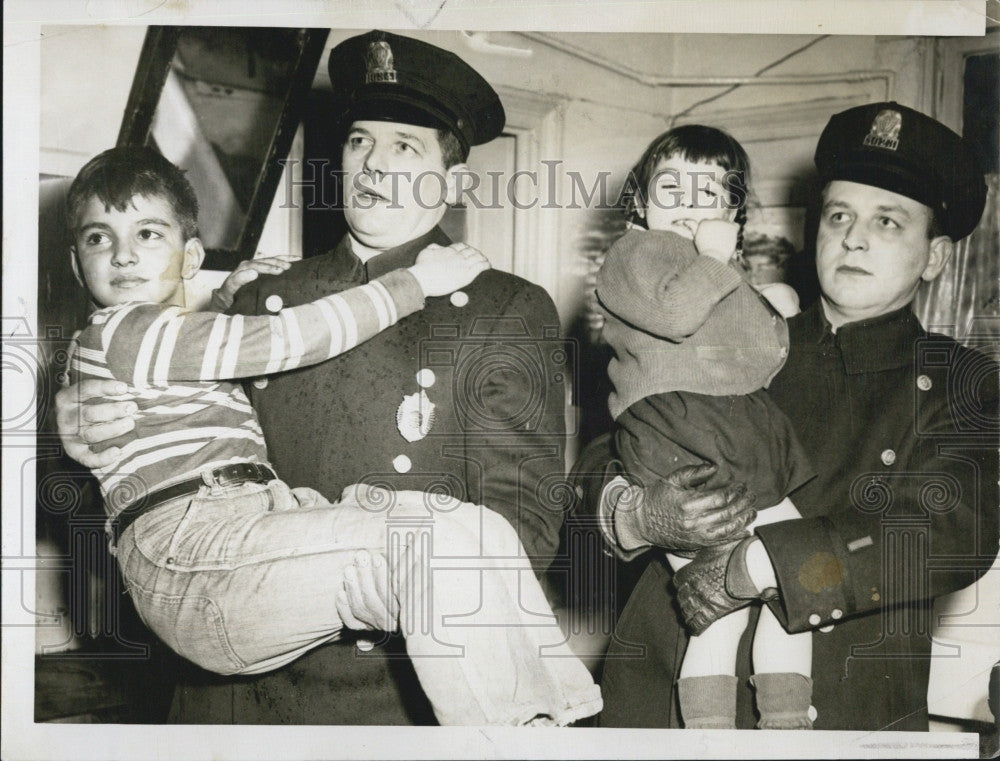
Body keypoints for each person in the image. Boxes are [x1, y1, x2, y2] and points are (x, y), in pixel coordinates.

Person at [56, 30, 575, 725]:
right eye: (360, 140)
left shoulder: (505, 308)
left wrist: (379, 598)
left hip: (389, 695)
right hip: (230, 698)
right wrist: (69, 413)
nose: (373, 164)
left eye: (405, 146)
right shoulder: (263, 296)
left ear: (454, 181)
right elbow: (161, 458)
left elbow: (526, 530)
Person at [593, 101, 998, 730]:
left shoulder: (964, 380)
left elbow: (948, 535)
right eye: (839, 215)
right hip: (661, 696)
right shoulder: (744, 328)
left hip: (839, 706)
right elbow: (601, 456)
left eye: (888, 221)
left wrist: (758, 566)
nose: (853, 237)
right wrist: (633, 513)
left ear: (937, 256)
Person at [595, 125, 815, 729]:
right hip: (681, 432)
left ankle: (785, 725)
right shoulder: (635, 254)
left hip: (735, 428)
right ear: (640, 203)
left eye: (708, 190)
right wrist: (720, 261)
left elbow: (757, 359)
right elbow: (675, 312)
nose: (689, 203)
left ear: (733, 210)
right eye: (671, 186)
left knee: (781, 583)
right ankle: (727, 737)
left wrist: (769, 305)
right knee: (748, 592)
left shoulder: (713, 267)